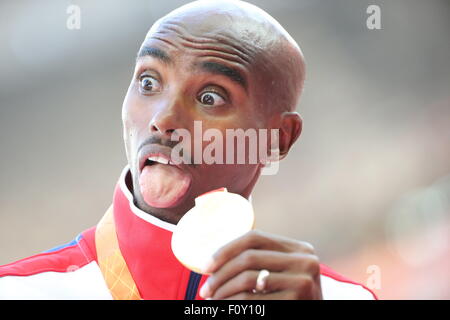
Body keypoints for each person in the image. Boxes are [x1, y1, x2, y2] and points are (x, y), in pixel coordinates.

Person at [0, 0, 376, 300]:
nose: (163, 119)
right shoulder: (21, 291)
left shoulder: (343, 297)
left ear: (277, 139)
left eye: (210, 97)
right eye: (149, 82)